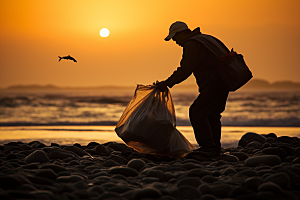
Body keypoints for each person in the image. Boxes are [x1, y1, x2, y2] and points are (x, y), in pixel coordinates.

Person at [156, 21, 230, 157]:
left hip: (214, 84)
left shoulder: (193, 44)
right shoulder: (204, 39)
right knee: (212, 116)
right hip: (223, 82)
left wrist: (166, 83)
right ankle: (214, 150)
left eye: (175, 38)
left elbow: (185, 70)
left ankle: (208, 148)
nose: (175, 42)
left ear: (183, 33)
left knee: (197, 113)